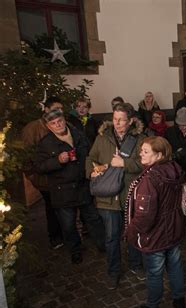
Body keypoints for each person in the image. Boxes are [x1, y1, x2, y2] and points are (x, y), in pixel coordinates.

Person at [86, 103, 146, 290]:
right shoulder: (102, 137)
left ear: (130, 121)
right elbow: (90, 158)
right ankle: (113, 272)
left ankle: (136, 264)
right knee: (111, 237)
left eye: (121, 119)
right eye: (114, 118)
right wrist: (92, 171)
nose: (117, 123)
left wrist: (124, 163)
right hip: (107, 197)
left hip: (131, 195)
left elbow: (145, 163)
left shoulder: (140, 138)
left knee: (132, 233)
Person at [34, 109, 105, 264]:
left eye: (59, 121)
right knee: (68, 225)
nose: (58, 125)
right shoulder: (45, 143)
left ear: (64, 120)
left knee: (93, 218)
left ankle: (103, 244)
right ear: (48, 126)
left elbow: (90, 153)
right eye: (53, 123)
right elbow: (39, 167)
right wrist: (57, 160)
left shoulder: (78, 135)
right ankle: (75, 250)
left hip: (82, 186)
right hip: (62, 191)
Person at [125, 137, 186, 308]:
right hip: (174, 228)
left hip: (155, 236)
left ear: (158, 154)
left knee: (154, 272)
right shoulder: (175, 168)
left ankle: (152, 307)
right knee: (175, 267)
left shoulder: (150, 179)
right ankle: (179, 301)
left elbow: (145, 216)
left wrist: (131, 230)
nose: (140, 154)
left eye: (145, 151)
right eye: (141, 150)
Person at [22, 96, 64, 249]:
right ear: (46, 110)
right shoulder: (32, 128)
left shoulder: (63, 125)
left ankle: (65, 234)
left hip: (62, 175)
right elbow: (27, 156)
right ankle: (55, 237)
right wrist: (33, 176)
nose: (59, 112)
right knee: (51, 208)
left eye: (61, 109)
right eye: (55, 109)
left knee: (62, 207)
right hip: (44, 177)